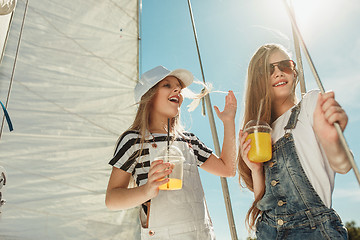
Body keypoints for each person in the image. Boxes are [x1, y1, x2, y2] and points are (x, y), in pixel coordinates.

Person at [105, 65, 237, 239]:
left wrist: (228, 122)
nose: (177, 89)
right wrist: (146, 191)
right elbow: (112, 199)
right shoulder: (133, 140)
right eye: (166, 85)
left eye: (178, 88)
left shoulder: (189, 140)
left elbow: (227, 169)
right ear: (148, 96)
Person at [237, 44, 351, 239]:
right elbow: (266, 204)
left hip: (314, 231)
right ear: (258, 80)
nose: (279, 72)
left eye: (285, 65)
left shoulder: (310, 104)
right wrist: (256, 170)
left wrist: (334, 139)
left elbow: (342, 164)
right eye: (269, 69)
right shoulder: (262, 134)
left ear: (294, 71)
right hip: (268, 232)